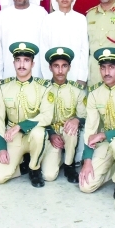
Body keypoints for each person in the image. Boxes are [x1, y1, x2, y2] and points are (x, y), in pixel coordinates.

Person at [0, 42, 54, 187]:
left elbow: (46, 116)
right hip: (12, 137)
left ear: (32, 64)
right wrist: (1, 148)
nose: (21, 65)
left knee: (39, 133)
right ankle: (23, 166)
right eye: (18, 60)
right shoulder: (3, 87)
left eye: (26, 60)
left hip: (33, 135)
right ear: (13, 63)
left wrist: (20, 126)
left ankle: (34, 168)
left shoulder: (44, 87)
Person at [79, 48, 115, 196]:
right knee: (86, 186)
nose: (107, 72)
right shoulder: (95, 93)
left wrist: (104, 135)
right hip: (106, 144)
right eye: (103, 67)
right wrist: (87, 161)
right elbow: (90, 129)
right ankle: (112, 168)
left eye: (111, 67)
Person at [41, 47, 86, 183]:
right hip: (49, 133)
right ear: (50, 68)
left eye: (64, 66)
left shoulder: (77, 90)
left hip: (67, 131)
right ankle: (57, 157)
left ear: (69, 67)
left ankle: (69, 165)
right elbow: (37, 117)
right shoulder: (42, 89)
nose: (60, 71)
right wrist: (51, 133)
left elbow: (84, 116)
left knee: (71, 129)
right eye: (56, 66)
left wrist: (77, 120)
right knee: (49, 176)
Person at [0, 0, 48, 81]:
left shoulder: (41, 13)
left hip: (36, 73)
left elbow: (47, 45)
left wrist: (48, 75)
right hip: (9, 73)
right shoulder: (3, 15)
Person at [39, 0, 88, 84]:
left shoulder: (81, 19)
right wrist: (48, 76)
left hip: (75, 74)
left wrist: (82, 77)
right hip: (53, 74)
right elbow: (44, 48)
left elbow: (84, 49)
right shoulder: (48, 19)